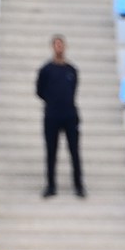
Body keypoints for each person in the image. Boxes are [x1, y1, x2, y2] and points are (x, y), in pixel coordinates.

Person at [36, 35, 84, 198]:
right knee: (51, 151)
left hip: (69, 115)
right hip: (52, 115)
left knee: (74, 151)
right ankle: (51, 185)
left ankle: (78, 185)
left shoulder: (71, 70)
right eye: (56, 45)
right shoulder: (46, 70)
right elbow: (39, 91)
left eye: (61, 45)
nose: (59, 48)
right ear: (52, 47)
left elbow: (74, 89)